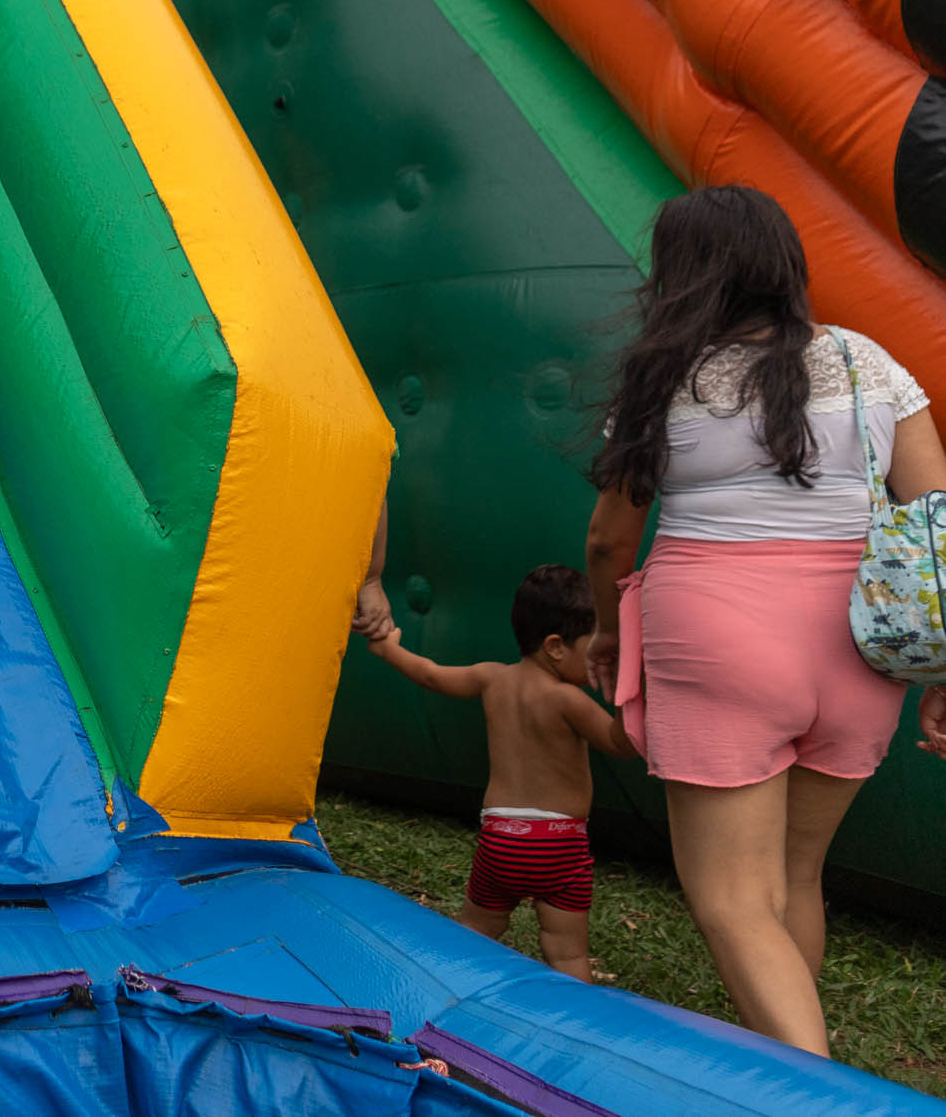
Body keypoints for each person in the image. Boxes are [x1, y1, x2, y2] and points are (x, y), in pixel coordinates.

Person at [583, 185, 946, 1055]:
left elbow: (609, 540)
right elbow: (938, 526)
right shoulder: (870, 365)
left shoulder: (663, 380)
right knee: (793, 877)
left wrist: (604, 630)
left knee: (732, 899)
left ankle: (812, 1092)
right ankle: (779, 1067)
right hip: (860, 653)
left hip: (718, 642)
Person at [365, 566, 637, 980]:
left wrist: (388, 649)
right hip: (557, 847)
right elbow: (621, 745)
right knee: (566, 956)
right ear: (556, 647)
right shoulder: (568, 699)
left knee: (473, 935)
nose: (602, 657)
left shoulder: (493, 678)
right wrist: (627, 686)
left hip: (501, 841)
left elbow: (432, 675)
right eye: (596, 647)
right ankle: (575, 1027)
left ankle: (444, 998)